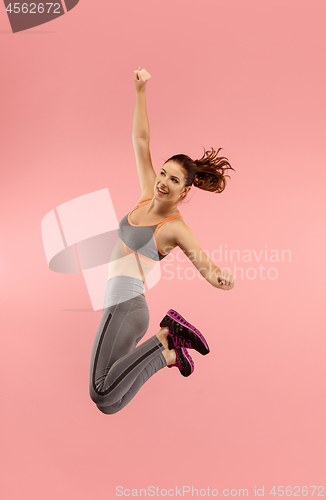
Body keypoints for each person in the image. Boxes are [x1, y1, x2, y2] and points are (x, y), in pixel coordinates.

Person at [89, 67, 235, 415]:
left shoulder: (174, 227)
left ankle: (167, 335)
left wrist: (222, 279)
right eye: (163, 173)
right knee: (110, 403)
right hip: (124, 308)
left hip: (125, 306)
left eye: (173, 180)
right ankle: (170, 353)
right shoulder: (144, 196)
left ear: (185, 190)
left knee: (99, 390)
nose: (163, 182)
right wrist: (140, 91)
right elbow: (141, 141)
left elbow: (206, 264)